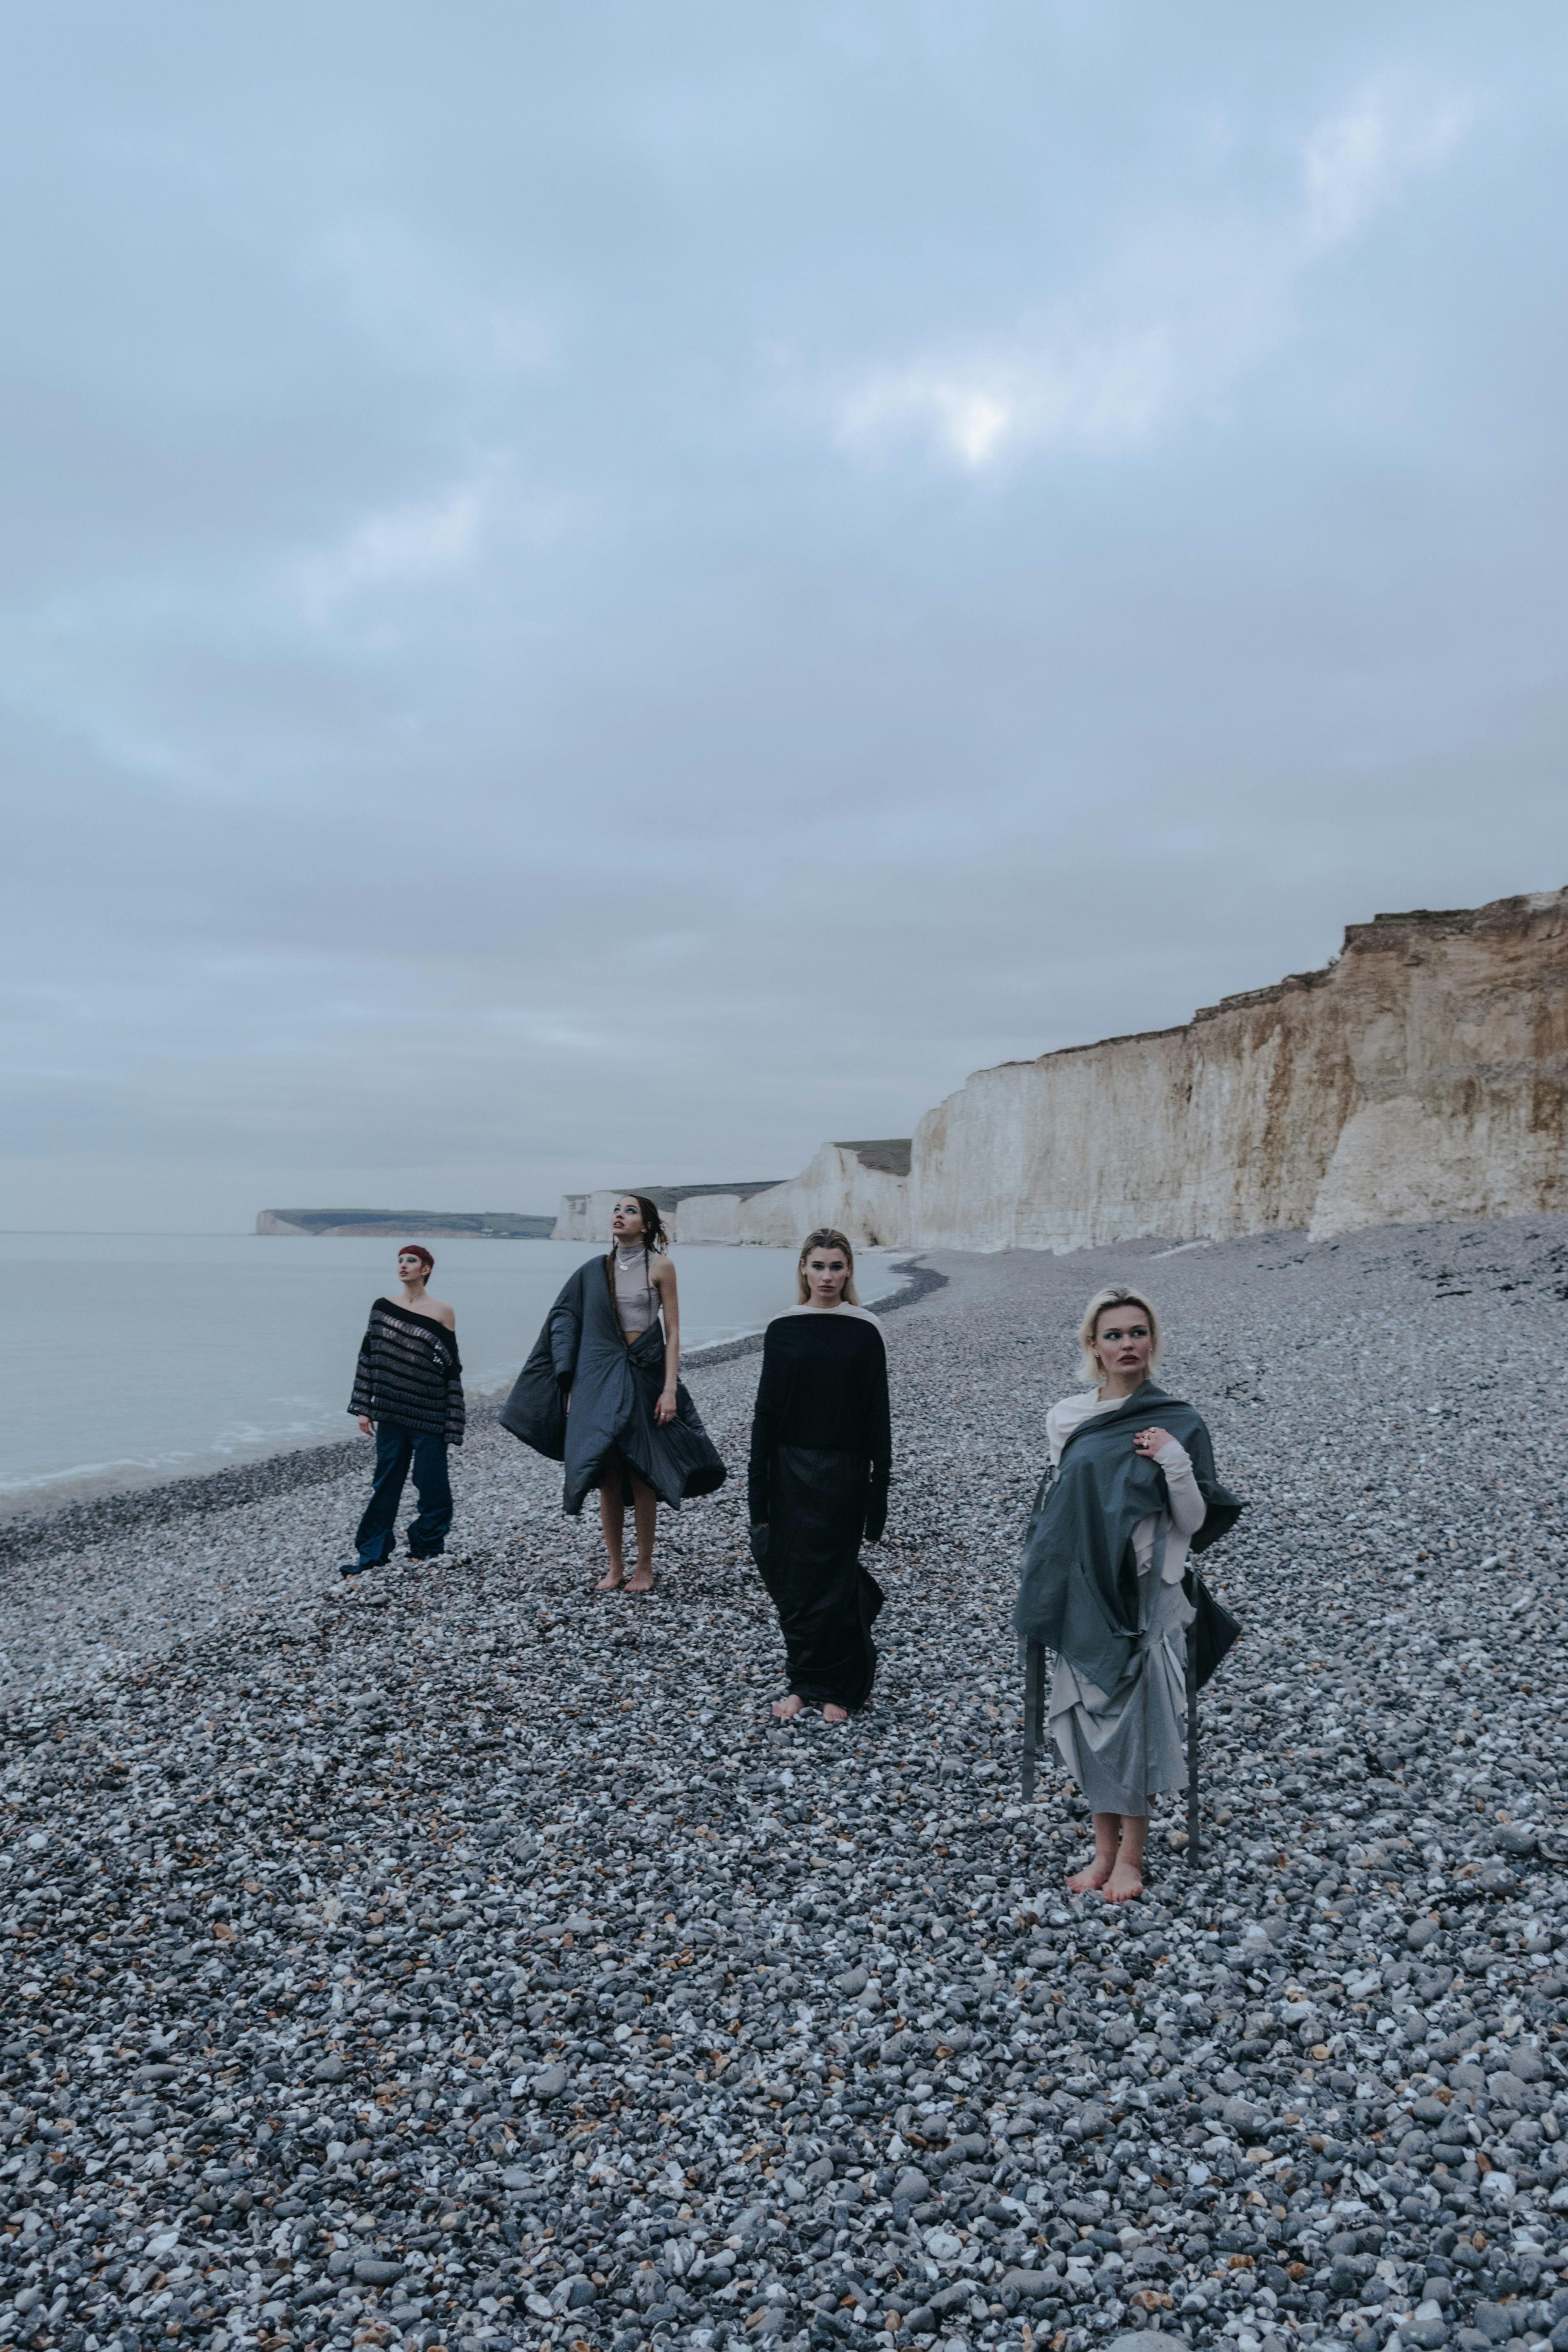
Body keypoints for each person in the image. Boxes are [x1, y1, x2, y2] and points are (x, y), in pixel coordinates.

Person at [1014, 1283, 1242, 1902]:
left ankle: (1130, 1861)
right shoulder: (1066, 1417)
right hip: (1082, 1587)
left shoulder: (1178, 1421)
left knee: (1133, 1723)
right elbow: (1071, 1508)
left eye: (1137, 1332)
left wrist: (1173, 1461)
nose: (1127, 1343)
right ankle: (1101, 1850)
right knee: (1086, 1721)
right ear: (1092, 1344)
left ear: (1152, 1340)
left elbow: (1192, 1524)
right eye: (1113, 1334)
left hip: (1147, 1592)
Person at [500, 1193, 725, 1590]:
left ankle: (644, 1567)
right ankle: (615, 1566)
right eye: (617, 1209)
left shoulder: (661, 1267)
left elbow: (673, 1333)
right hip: (599, 1379)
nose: (620, 1215)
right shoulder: (594, 1270)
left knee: (643, 1472)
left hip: (646, 1376)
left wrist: (670, 1388)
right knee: (607, 1473)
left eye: (630, 1210)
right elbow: (566, 1319)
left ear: (648, 1225)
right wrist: (568, 1379)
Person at [747, 1227, 891, 1724]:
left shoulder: (866, 1327)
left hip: (845, 1470)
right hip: (788, 1470)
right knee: (794, 1582)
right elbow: (765, 1415)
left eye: (836, 1266)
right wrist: (757, 1497)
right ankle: (803, 1681)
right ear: (803, 1269)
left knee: (833, 1579)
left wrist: (879, 1496)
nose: (827, 1275)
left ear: (849, 1270)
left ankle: (841, 1688)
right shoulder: (783, 1328)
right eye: (818, 1266)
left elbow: (878, 1416)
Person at [342, 1245, 465, 1576]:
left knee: (432, 1482)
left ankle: (427, 1546)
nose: (402, 1265)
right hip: (391, 1414)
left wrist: (453, 1420)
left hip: (430, 1413)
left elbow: (451, 1368)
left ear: (426, 1269)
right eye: (399, 1260)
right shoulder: (382, 1308)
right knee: (385, 1484)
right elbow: (368, 1357)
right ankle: (372, 1552)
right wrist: (364, 1407)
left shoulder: (443, 1311)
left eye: (410, 1260)